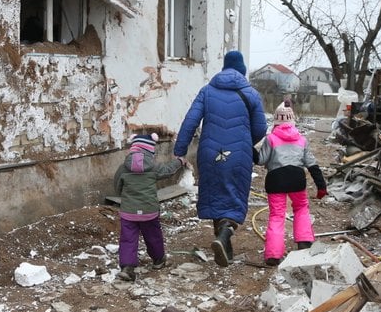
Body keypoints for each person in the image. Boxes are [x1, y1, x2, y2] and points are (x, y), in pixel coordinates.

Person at [174, 50, 267, 266]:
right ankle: (225, 234)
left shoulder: (207, 91)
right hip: (238, 154)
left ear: (224, 68)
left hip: (209, 152)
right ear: (242, 70)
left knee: (215, 192)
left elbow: (190, 121)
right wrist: (244, 139)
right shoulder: (251, 94)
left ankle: (225, 244)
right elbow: (261, 129)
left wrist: (180, 150)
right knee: (234, 194)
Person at [255, 99, 327, 266]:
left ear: (276, 120)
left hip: (275, 180)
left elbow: (260, 160)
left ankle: (273, 255)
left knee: (277, 215)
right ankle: (304, 241)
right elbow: (312, 164)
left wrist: (250, 149)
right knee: (301, 208)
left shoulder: (271, 139)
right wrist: (321, 186)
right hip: (297, 179)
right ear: (292, 119)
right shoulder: (302, 140)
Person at [114, 133, 185, 282]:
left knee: (128, 239)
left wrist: (126, 198)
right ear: (150, 150)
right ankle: (158, 260)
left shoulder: (123, 167)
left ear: (133, 148)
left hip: (129, 211)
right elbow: (168, 170)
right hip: (149, 211)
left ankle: (127, 268)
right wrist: (179, 161)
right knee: (153, 236)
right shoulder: (153, 166)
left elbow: (117, 186)